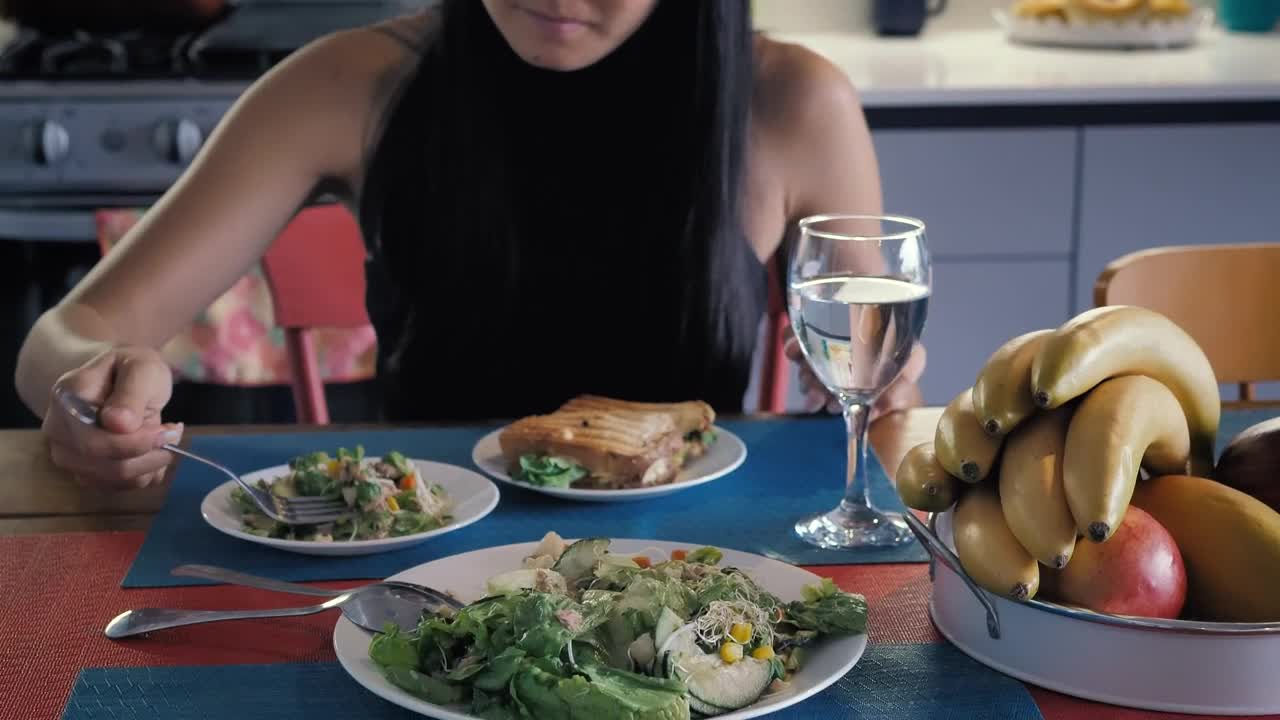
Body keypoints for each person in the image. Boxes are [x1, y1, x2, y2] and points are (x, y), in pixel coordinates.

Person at [14, 0, 925, 491]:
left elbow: (877, 388)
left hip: (692, 582)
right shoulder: (348, 82)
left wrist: (884, 385)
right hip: (414, 577)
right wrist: (86, 387)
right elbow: (73, 327)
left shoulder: (795, 103)